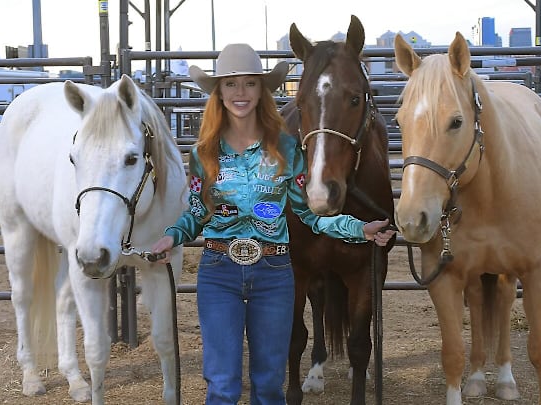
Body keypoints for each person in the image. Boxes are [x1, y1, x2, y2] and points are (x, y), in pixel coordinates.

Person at [151, 43, 395, 405]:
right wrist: (171, 236)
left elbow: (309, 215)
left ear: (262, 90)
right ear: (218, 92)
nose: (240, 93)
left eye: (250, 83)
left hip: (274, 271)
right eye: (231, 84)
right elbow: (197, 212)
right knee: (221, 384)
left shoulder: (287, 149)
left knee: (268, 386)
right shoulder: (203, 153)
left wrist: (359, 229)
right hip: (220, 271)